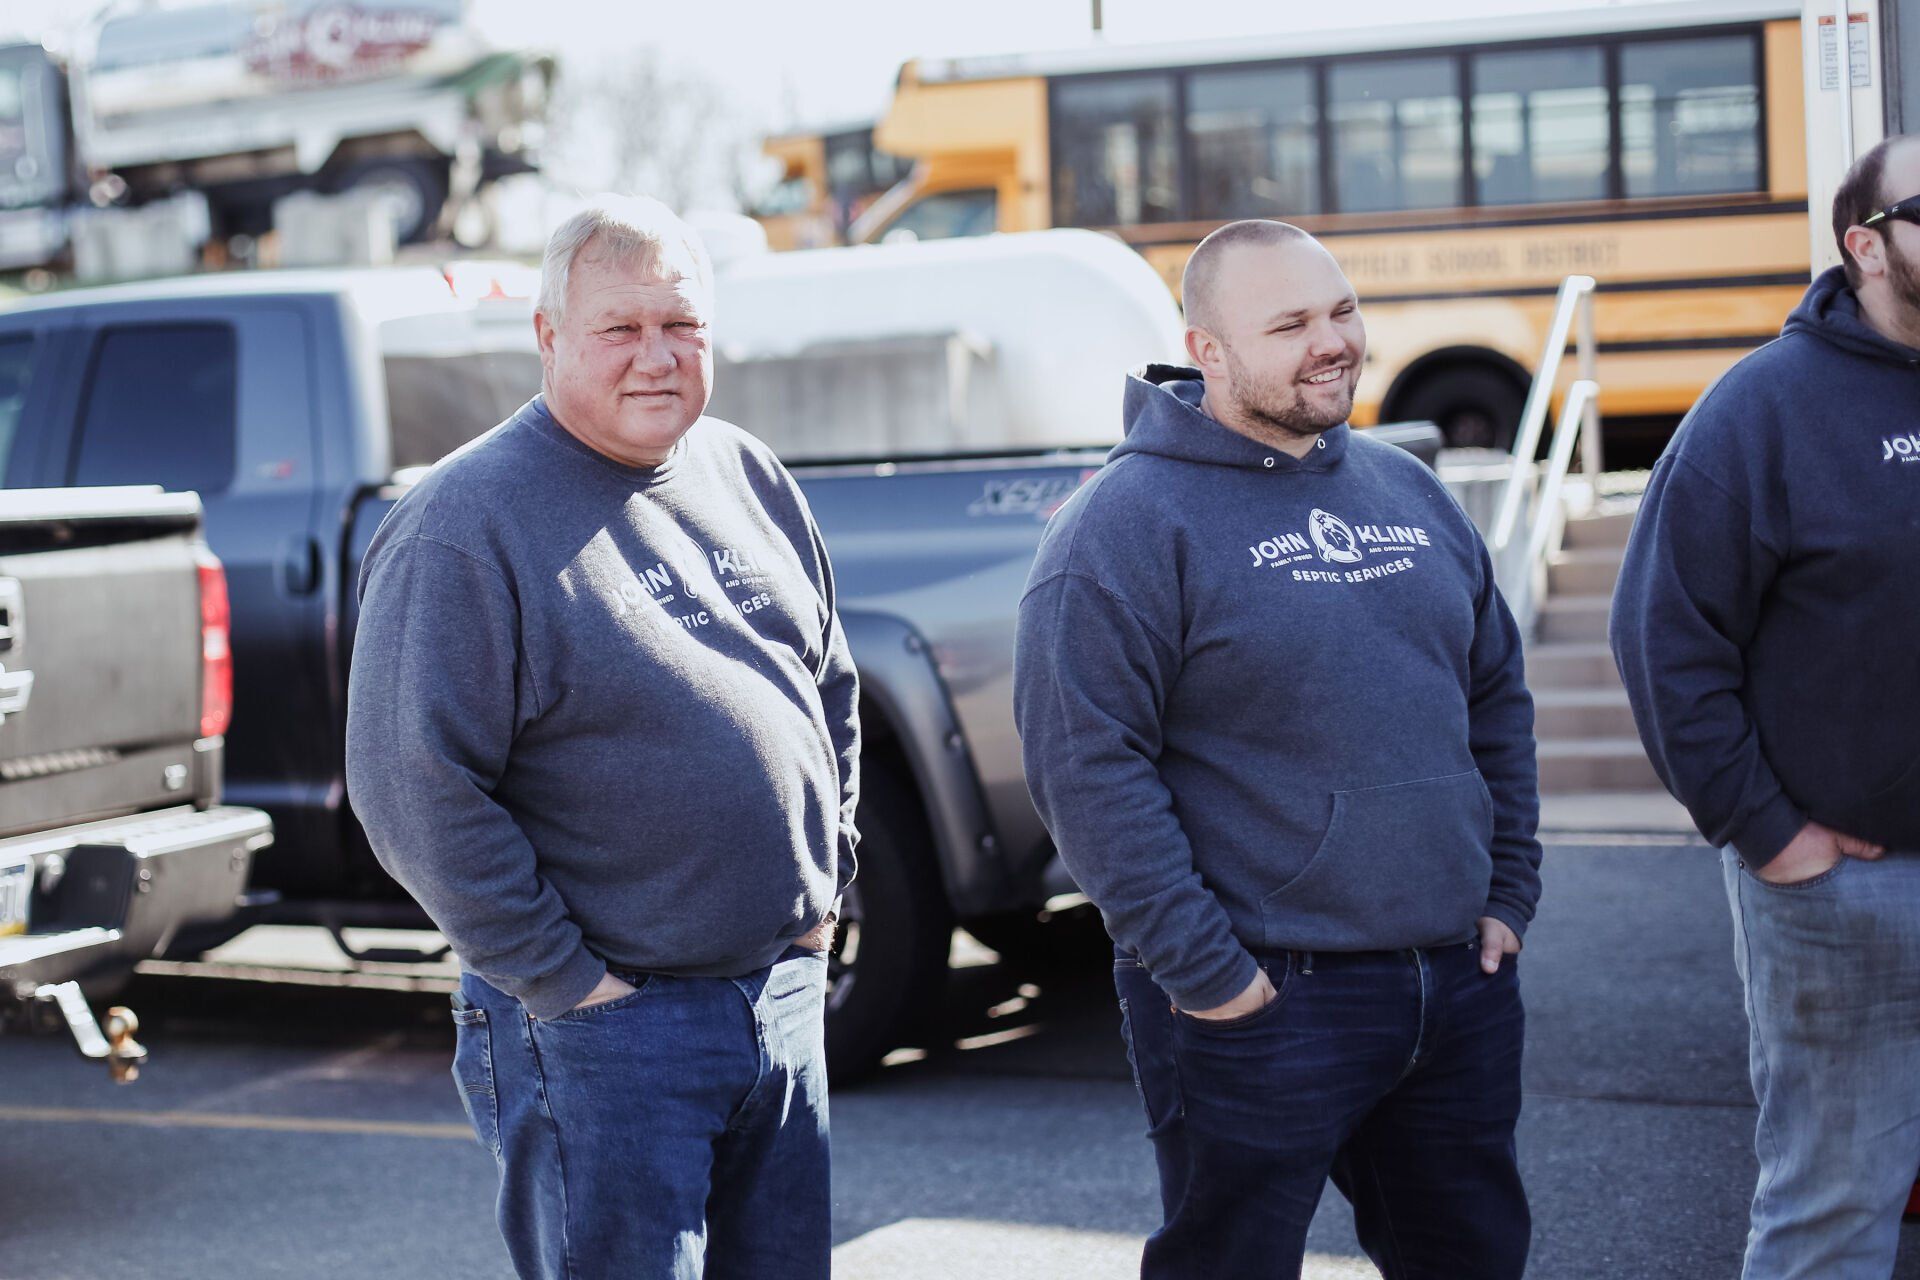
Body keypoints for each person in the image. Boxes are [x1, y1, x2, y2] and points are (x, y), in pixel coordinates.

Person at [1012, 219, 1542, 1278]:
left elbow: (1494, 695)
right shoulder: (1122, 523)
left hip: (1454, 981)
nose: (1330, 341)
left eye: (1341, 310)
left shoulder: (1408, 490)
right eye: (1290, 323)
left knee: (1474, 1257)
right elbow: (1086, 767)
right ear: (1207, 348)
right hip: (1260, 998)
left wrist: (1508, 890)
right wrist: (1211, 974)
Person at [345, 195, 859, 1280]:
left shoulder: (744, 471)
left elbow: (829, 688)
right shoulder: (464, 522)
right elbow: (412, 788)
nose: (657, 357)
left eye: (682, 327)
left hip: (780, 992)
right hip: (606, 1030)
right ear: (547, 335)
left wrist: (822, 894)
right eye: (620, 329)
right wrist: (572, 984)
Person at [1610, 137, 1920, 1280]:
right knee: (1834, 1211)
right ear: (1866, 241)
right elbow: (1665, 639)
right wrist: (1769, 833)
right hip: (1854, 892)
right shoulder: (1762, 410)